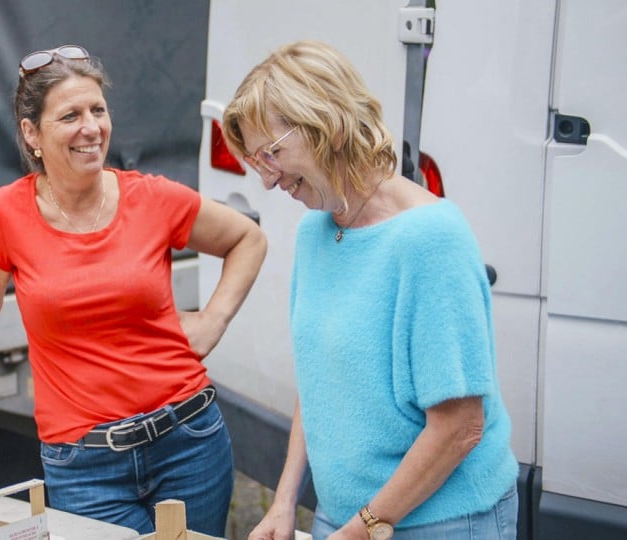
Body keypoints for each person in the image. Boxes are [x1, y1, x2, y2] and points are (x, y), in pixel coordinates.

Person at [0, 44, 267, 536]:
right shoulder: (4, 214)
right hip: (85, 465)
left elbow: (248, 238)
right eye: (70, 115)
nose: (91, 128)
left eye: (98, 110)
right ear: (32, 134)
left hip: (188, 442)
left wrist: (214, 318)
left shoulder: (151, 198)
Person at [221, 40, 519, 540]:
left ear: (329, 124)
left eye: (273, 153)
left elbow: (460, 427)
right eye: (257, 162)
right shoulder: (315, 231)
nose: (269, 181)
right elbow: (319, 383)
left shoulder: (431, 239)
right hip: (346, 519)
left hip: (439, 522)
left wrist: (363, 527)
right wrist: (285, 504)